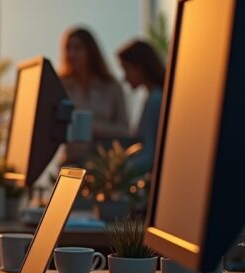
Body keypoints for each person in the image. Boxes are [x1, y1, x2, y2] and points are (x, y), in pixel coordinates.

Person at [59, 26, 128, 165]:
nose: (71, 54)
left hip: (104, 167)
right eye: (68, 49)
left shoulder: (112, 86)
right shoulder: (60, 86)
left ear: (90, 51)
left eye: (77, 48)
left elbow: (125, 129)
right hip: (71, 163)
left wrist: (94, 128)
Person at [116, 38, 166, 175]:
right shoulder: (153, 96)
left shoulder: (156, 100)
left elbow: (149, 153)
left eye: (126, 68)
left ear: (140, 67)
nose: (124, 78)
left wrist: (117, 172)